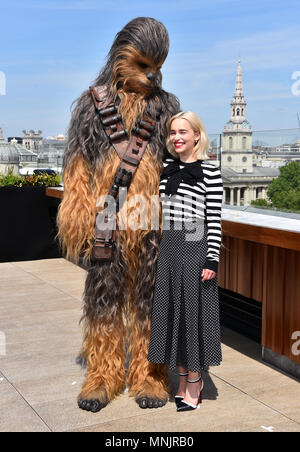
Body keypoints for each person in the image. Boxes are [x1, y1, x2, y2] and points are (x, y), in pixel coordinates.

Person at [147, 111, 223, 412]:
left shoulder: (210, 171)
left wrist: (212, 259)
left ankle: (194, 382)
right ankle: (180, 378)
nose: (177, 137)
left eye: (183, 131)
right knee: (172, 314)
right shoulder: (165, 168)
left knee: (192, 316)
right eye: (172, 132)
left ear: (196, 135)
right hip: (169, 245)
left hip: (195, 246)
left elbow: (214, 220)